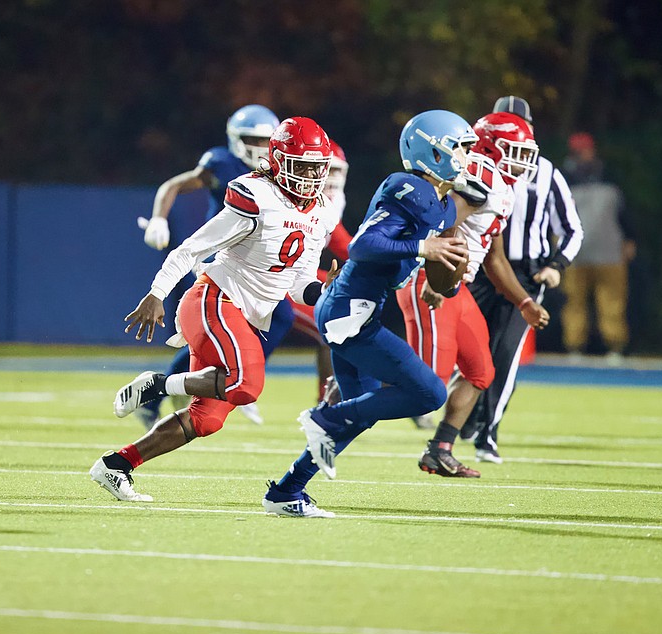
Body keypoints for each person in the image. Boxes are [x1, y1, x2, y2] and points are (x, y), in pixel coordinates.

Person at [89, 117, 339, 505]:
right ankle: (159, 385)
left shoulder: (320, 212)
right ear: (277, 160)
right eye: (300, 165)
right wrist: (157, 293)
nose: (308, 176)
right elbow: (191, 249)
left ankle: (116, 465)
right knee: (246, 385)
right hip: (214, 299)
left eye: (314, 167)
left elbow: (297, 284)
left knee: (207, 419)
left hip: (244, 313)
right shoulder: (256, 196)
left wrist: (324, 289)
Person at [261, 109, 475, 517]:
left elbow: (444, 229)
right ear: (433, 152)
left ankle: (286, 491)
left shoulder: (440, 202)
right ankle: (325, 416)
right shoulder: (407, 187)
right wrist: (422, 249)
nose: (466, 157)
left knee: (360, 415)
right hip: (350, 312)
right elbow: (362, 246)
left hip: (357, 309)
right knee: (429, 393)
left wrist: (438, 279)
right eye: (460, 148)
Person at [396, 112, 550, 477]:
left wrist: (524, 302)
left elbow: (493, 256)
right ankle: (354, 381)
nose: (522, 160)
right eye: (513, 150)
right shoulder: (479, 171)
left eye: (525, 152)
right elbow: (447, 219)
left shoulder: (503, 186)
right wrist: (437, 278)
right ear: (487, 145)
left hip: (456, 284)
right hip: (434, 280)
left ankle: (440, 449)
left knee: (481, 371)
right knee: (427, 381)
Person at [136, 104, 289, 429]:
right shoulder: (221, 162)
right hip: (217, 255)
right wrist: (159, 218)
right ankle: (231, 378)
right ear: (236, 138)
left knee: (279, 315)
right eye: (251, 138)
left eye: (265, 140)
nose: (259, 147)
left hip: (252, 259)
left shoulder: (279, 167)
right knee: (271, 316)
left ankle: (230, 377)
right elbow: (174, 185)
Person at [460, 96, 583, 463]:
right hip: (482, 267)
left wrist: (556, 266)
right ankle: (467, 413)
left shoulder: (545, 173)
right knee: (471, 349)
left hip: (526, 273)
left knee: (506, 352)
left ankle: (487, 432)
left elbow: (573, 229)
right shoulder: (471, 169)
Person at [287, 139, 355, 401]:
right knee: (331, 324)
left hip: (299, 276)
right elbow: (345, 245)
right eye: (328, 169)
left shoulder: (333, 201)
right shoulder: (296, 199)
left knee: (345, 307)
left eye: (338, 170)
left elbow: (342, 245)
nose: (332, 178)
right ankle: (326, 402)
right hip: (273, 279)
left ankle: (327, 399)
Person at [560, 132, 636, 366]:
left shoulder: (610, 175)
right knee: (573, 301)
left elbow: (625, 211)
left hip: (608, 250)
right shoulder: (563, 177)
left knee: (611, 301)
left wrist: (630, 239)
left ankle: (615, 346)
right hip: (575, 251)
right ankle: (574, 347)